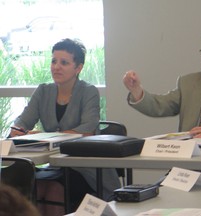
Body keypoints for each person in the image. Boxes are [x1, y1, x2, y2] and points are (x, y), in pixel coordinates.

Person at [9, 38, 121, 215]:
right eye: (53, 61)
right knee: (35, 188)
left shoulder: (88, 91)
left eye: (64, 63)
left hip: (86, 167)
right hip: (55, 165)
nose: (56, 67)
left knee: (53, 190)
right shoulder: (43, 91)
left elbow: (87, 130)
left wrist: (46, 135)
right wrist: (17, 130)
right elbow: (22, 122)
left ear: (78, 68)